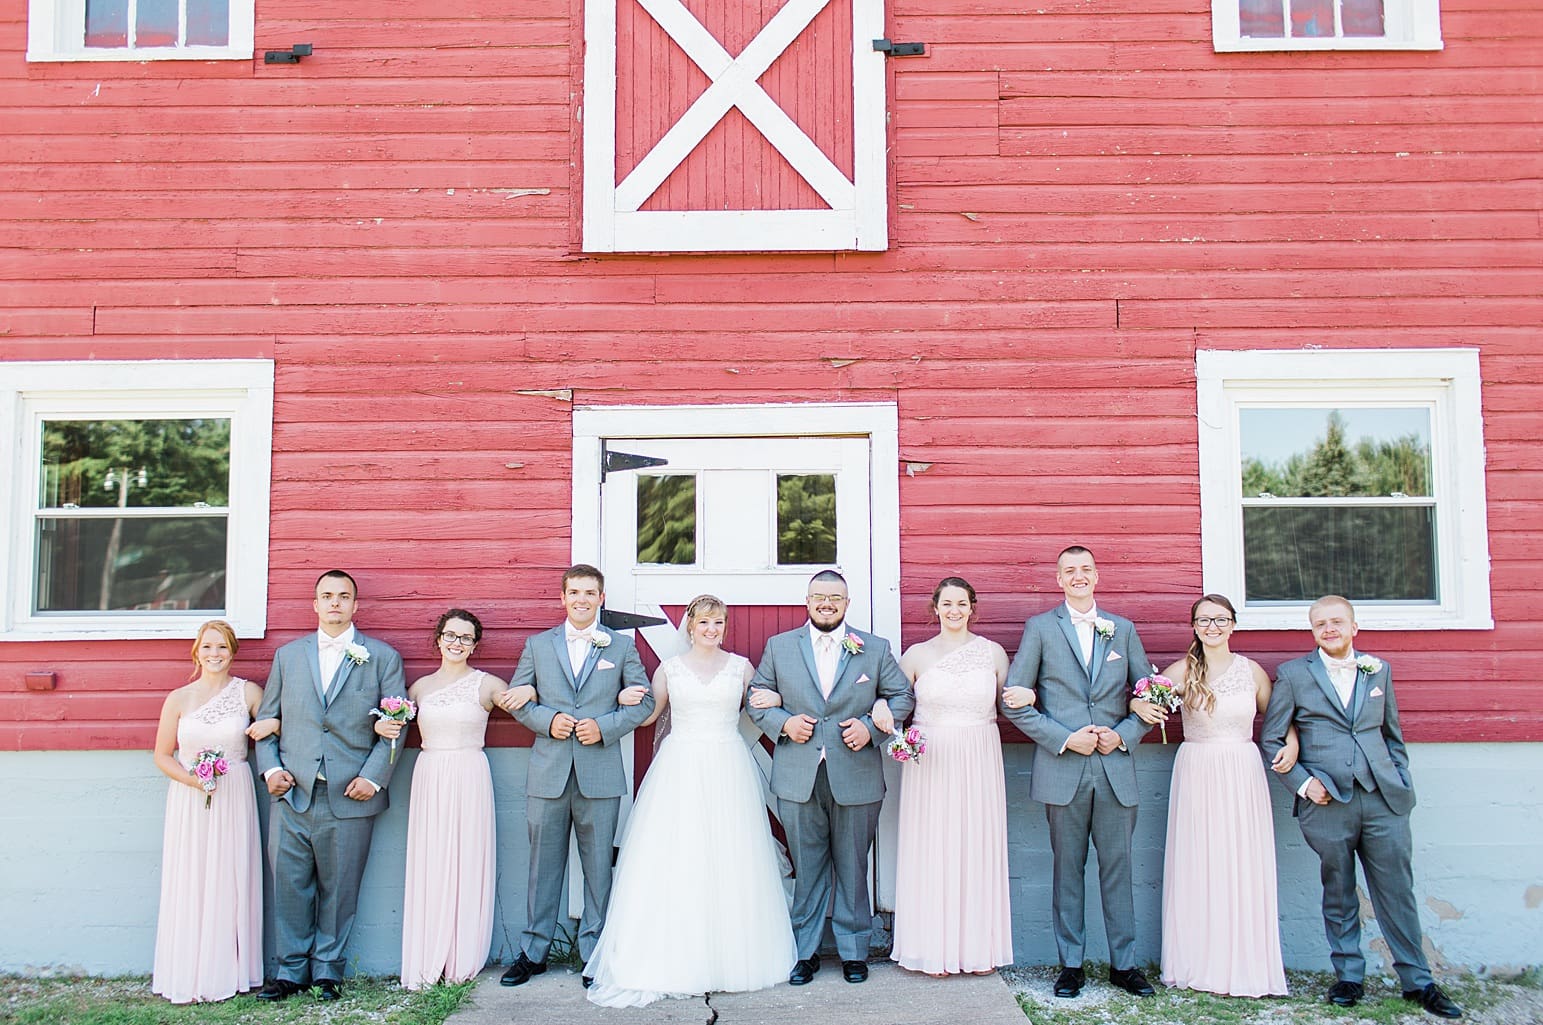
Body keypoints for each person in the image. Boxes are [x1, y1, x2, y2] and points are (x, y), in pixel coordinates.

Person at [583, 594, 797, 1006]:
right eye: (705, 623)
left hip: (728, 765)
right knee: (680, 853)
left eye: (719, 623)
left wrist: (776, 700)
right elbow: (648, 714)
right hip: (680, 766)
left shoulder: (741, 667)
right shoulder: (670, 669)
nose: (712, 630)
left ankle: (730, 955)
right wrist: (619, 698)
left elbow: (761, 706)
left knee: (730, 855)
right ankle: (677, 950)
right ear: (690, 625)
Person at [1262, 596, 1463, 1019]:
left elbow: (1393, 735)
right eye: (1320, 624)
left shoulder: (1378, 669)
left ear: (1354, 627)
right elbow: (1273, 740)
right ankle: (1349, 976)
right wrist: (1303, 784)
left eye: (1337, 621)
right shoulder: (1294, 675)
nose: (1328, 629)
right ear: (1312, 630)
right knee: (1338, 890)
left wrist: (1402, 785)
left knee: (1397, 891)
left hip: (1383, 800)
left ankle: (1418, 980)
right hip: (1328, 799)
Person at [746, 569, 914, 986]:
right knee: (808, 866)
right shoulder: (780, 647)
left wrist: (872, 729)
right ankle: (804, 952)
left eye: (834, 597)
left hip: (856, 773)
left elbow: (902, 696)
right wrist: (784, 724)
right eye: (818, 596)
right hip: (798, 775)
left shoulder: (873, 649)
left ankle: (854, 951)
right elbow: (756, 699)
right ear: (807, 601)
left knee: (854, 866)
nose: (826, 603)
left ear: (846, 603)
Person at [1000, 545, 1154, 999]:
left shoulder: (1122, 630)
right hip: (1062, 766)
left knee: (1118, 869)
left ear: (1097, 575)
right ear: (1059, 578)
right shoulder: (1041, 628)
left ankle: (1123, 965)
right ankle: (1070, 965)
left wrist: (1122, 733)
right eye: (1070, 571)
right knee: (1067, 869)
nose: (1079, 576)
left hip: (1114, 767)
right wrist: (1065, 738)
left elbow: (1152, 696)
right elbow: (1014, 700)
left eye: (1086, 569)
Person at [494, 564, 655, 987]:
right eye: (574, 592)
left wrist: (603, 727)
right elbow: (518, 698)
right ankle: (534, 952)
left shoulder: (621, 647)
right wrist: (549, 721)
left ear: (601, 599)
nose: (582, 599)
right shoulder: (537, 645)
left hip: (599, 772)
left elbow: (642, 703)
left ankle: (594, 953)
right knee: (541, 866)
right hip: (548, 772)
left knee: (599, 867)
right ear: (562, 598)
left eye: (590, 593)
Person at [255, 570, 406, 1002]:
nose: (335, 603)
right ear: (315, 604)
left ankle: (327, 971)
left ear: (356, 605)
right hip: (292, 791)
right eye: (327, 596)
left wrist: (373, 777)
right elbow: (267, 724)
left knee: (340, 889)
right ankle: (289, 972)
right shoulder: (287, 656)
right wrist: (270, 770)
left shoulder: (381, 657)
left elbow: (397, 725)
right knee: (289, 884)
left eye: (344, 596)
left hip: (350, 792)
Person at [1131, 594, 1292, 997]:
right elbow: (1143, 702)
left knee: (1241, 861)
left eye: (1221, 620)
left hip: (1241, 770)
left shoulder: (1252, 672)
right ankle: (1197, 961)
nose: (1213, 627)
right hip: (1198, 770)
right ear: (1195, 626)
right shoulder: (1184, 670)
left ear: (1233, 625)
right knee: (1200, 859)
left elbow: (1277, 721)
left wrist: (1291, 743)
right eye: (1204, 620)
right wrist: (1138, 700)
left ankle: (1244, 964)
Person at [872, 577, 1015, 976]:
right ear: (935, 608)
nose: (955, 610)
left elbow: (1009, 703)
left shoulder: (993, 654)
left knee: (976, 845)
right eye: (947, 603)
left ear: (973, 607)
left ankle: (977, 949)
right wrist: (883, 708)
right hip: (930, 760)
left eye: (962, 603)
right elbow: (895, 697)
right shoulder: (916, 655)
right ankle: (931, 948)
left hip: (979, 754)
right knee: (934, 846)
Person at [382, 609, 520, 990]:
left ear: (475, 645)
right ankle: (429, 952)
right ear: (438, 638)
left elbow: (521, 703)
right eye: (451, 635)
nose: (457, 643)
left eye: (466, 638)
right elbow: (392, 727)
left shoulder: (487, 684)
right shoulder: (419, 689)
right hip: (429, 773)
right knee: (432, 858)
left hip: (470, 772)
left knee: (467, 855)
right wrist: (380, 723)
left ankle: (462, 955)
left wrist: (528, 691)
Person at [150, 620, 268, 1003]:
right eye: (208, 647)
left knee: (230, 874)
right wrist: (193, 781)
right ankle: (188, 968)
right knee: (193, 876)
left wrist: (272, 722)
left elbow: (271, 726)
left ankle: (230, 970)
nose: (215, 654)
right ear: (196, 652)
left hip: (234, 791)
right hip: (190, 796)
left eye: (222, 647)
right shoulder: (178, 699)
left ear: (233, 652)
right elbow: (162, 755)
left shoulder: (248, 692)